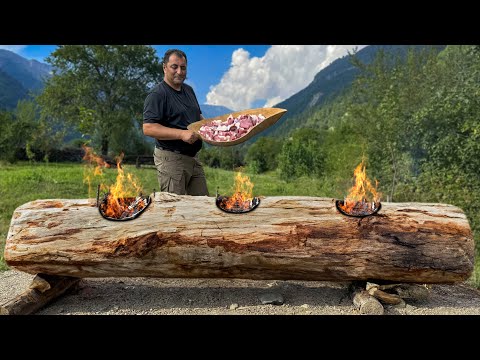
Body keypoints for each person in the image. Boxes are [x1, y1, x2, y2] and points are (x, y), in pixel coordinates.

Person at [143, 49, 209, 196]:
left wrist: (214, 129)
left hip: (193, 159)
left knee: (202, 204)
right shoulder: (157, 95)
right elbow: (148, 128)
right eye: (174, 66)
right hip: (171, 160)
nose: (179, 71)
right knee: (175, 209)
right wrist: (181, 134)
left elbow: (198, 117)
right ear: (164, 67)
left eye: (183, 67)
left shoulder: (189, 90)